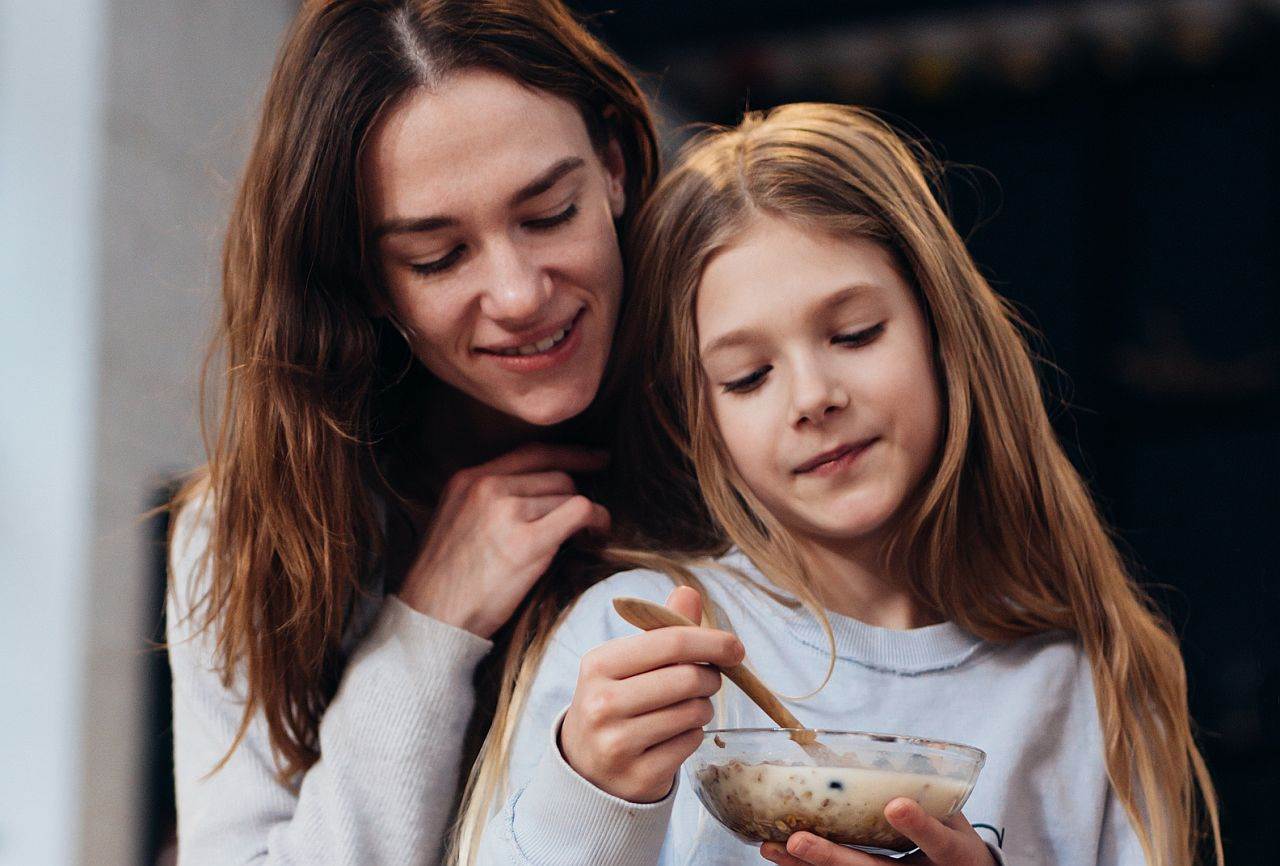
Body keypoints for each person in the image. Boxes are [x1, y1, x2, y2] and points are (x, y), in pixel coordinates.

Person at [470, 104, 1224, 866]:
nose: (812, 397)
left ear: (943, 329)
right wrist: (592, 796)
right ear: (698, 418)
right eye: (748, 376)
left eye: (856, 333)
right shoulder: (633, 645)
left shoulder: (1085, 686)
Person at [164, 2, 688, 863]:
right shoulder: (241, 535)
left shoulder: (747, 429)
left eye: (550, 212)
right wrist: (427, 629)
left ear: (616, 168)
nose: (519, 294)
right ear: (365, 279)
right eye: (438, 257)